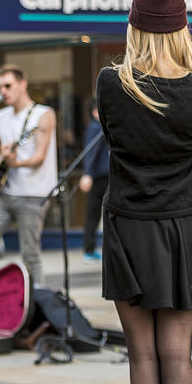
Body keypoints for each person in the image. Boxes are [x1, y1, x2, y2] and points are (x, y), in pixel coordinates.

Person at [97, 0, 192, 384]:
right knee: (177, 352)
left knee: (142, 353)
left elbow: (112, 141)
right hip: (188, 226)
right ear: (183, 27)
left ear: (135, 26)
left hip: (129, 226)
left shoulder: (113, 83)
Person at [0, 64, 57, 286]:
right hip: (4, 193)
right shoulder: (0, 115)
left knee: (30, 254)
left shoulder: (43, 114)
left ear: (22, 84)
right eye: (0, 86)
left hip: (33, 194)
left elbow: (40, 157)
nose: (3, 91)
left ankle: (37, 303)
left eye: (8, 86)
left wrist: (16, 162)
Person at [79, 99, 109, 263]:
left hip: (104, 176)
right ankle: (88, 250)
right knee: (93, 213)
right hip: (98, 177)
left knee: (99, 214)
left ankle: (91, 250)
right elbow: (90, 153)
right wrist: (87, 174)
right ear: (94, 112)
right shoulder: (94, 128)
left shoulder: (102, 128)